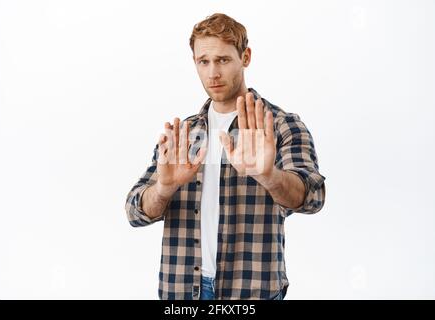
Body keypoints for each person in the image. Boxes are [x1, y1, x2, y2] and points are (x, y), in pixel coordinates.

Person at [125, 13, 326, 300]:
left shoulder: (281, 125)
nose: (212, 73)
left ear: (245, 57)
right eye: (203, 61)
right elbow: (135, 212)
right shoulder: (184, 134)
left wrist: (269, 176)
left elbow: (313, 197)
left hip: (251, 292)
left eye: (223, 60)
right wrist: (163, 189)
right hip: (181, 290)